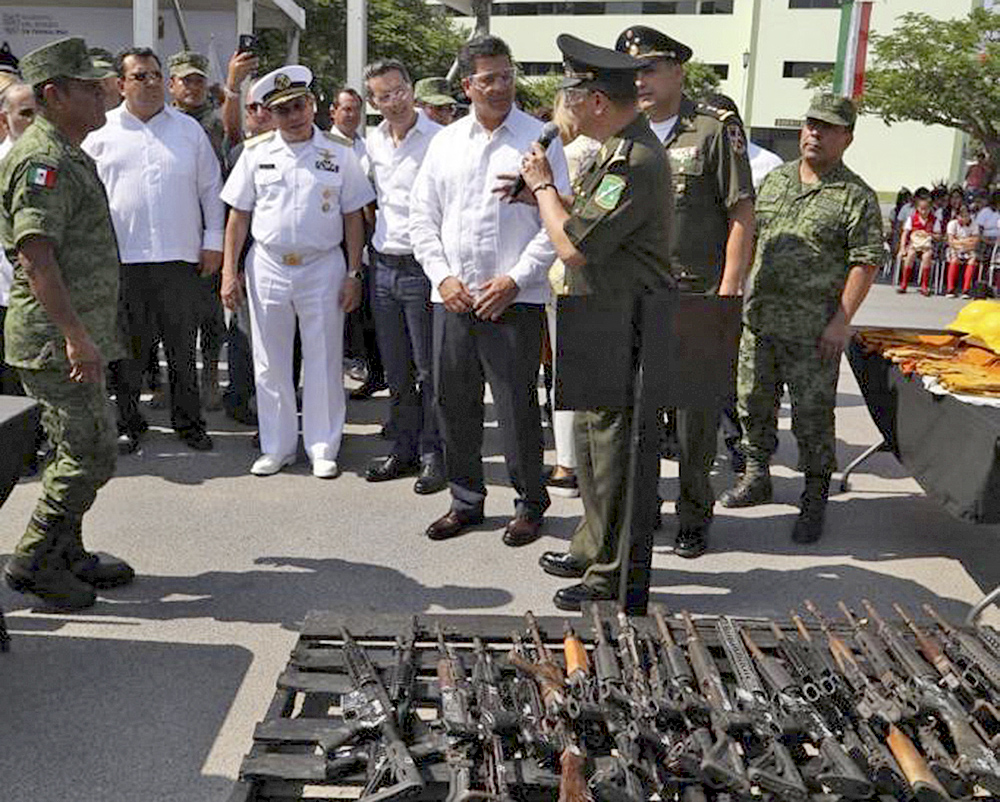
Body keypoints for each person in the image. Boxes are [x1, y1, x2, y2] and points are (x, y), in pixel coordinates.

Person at [519, 33, 674, 610]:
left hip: (622, 317)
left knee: (613, 452)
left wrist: (541, 190)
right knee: (588, 443)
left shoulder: (632, 159)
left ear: (598, 102)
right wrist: (542, 196)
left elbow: (574, 247)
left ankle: (610, 574)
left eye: (572, 95)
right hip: (598, 312)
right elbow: (579, 223)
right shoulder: (615, 151)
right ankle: (591, 543)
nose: (567, 106)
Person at [410, 34, 569, 546]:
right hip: (453, 299)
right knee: (453, 401)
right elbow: (422, 218)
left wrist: (515, 279)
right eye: (488, 78)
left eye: (506, 76)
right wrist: (444, 277)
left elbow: (555, 221)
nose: (500, 87)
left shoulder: (540, 140)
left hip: (512, 299)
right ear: (467, 85)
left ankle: (529, 504)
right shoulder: (445, 141)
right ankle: (466, 499)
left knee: (516, 406)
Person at [1, 37, 135, 610]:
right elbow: (36, 257)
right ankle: (33, 560)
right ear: (54, 95)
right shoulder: (44, 161)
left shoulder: (68, 149)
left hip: (77, 335)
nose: (103, 91)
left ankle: (65, 551)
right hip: (58, 342)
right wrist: (77, 337)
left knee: (69, 450)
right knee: (89, 454)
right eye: (88, 86)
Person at [719, 93, 883, 545]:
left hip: (815, 332)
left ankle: (814, 495)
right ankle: (756, 476)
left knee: (812, 417)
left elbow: (865, 262)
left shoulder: (856, 196)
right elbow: (749, 239)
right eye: (811, 124)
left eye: (828, 127)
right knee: (752, 403)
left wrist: (841, 321)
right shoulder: (774, 181)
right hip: (761, 322)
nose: (815, 133)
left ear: (847, 138)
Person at [617, 28, 755, 559]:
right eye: (635, 72)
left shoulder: (713, 131)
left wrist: (727, 291)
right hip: (634, 298)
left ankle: (694, 516)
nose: (642, 80)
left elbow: (741, 212)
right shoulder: (625, 132)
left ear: (678, 72)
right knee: (636, 414)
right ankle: (644, 507)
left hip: (697, 294)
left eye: (651, 69)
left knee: (696, 422)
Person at [220, 66, 374, 478]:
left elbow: (353, 219)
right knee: (269, 360)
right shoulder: (256, 154)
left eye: (300, 105)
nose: (294, 115)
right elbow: (238, 216)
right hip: (267, 263)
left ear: (314, 104)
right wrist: (228, 272)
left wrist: (354, 273)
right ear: (269, 113)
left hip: (322, 265)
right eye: (283, 109)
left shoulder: (340, 154)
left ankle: (323, 445)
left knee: (323, 358)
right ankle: (278, 445)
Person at [83, 47, 224, 453]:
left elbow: (211, 190)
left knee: (182, 348)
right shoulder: (101, 133)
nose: (150, 83)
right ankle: (129, 421)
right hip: (122, 262)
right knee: (128, 352)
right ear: (120, 83)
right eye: (140, 76)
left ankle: (189, 422)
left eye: (156, 75)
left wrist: (213, 241)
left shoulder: (187, 130)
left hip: (180, 259)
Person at [361, 59, 447, 494]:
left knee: (429, 369)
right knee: (395, 368)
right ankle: (405, 448)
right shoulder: (372, 141)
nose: (393, 101)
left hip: (422, 266)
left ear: (412, 89)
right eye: (383, 95)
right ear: (372, 101)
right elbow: (370, 200)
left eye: (399, 91)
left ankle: (435, 454)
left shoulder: (439, 139)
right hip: (383, 265)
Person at [543, 90, 600, 499]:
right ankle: (582, 461)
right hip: (582, 274)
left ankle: (568, 464)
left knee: (567, 375)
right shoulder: (605, 148)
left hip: (569, 271)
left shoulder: (570, 151)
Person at [168, 50, 230, 411]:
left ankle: (209, 376)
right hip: (175, 226)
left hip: (207, 225)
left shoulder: (216, 120)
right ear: (172, 85)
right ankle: (173, 381)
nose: (193, 87)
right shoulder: (161, 120)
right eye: (185, 80)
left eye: (198, 80)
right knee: (171, 313)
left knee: (209, 311)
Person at [221, 75, 274, 427]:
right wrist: (232, 268)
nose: (257, 114)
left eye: (264, 107)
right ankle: (239, 397)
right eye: (251, 107)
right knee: (243, 337)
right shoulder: (242, 153)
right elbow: (232, 216)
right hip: (248, 261)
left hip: (291, 266)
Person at [897, 187, 941, 295]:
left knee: (927, 256)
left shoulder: (934, 220)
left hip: (927, 245)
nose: (924, 211)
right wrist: (902, 247)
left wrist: (929, 235)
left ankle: (924, 285)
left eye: (926, 209)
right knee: (910, 255)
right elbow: (905, 233)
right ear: (917, 208)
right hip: (914, 244)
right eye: (921, 209)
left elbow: (938, 236)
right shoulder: (912, 218)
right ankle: (904, 283)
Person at [945, 204, 980, 298]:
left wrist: (961, 241)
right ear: (957, 216)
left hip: (968, 249)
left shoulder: (974, 225)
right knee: (954, 260)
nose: (964, 218)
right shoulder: (952, 224)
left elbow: (974, 242)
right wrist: (966, 241)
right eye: (962, 216)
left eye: (967, 216)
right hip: (955, 248)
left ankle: (966, 289)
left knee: (972, 260)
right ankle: (950, 288)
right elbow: (951, 241)